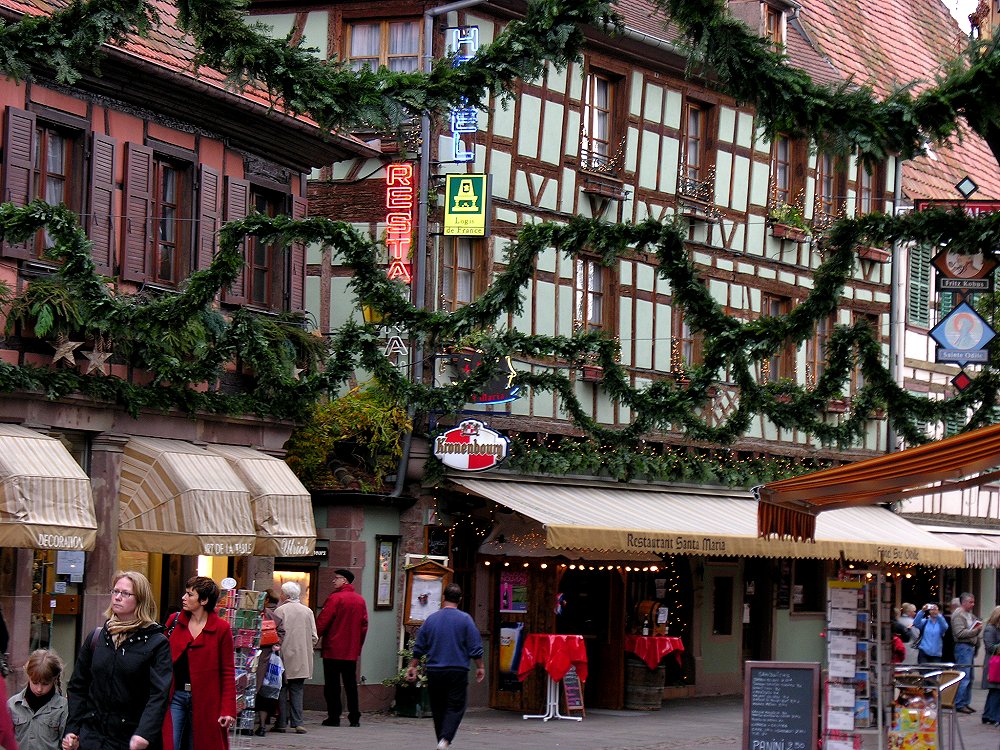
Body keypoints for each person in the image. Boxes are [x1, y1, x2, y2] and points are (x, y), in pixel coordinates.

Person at [62, 571, 172, 750]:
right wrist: (72, 730)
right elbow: (78, 687)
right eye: (115, 591)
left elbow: (159, 696)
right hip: (92, 737)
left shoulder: (156, 642)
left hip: (130, 739)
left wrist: (144, 733)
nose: (118, 597)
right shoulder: (97, 637)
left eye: (126, 593)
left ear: (141, 599)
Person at [406, 583, 484, 750]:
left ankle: (441, 739)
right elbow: (475, 646)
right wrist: (480, 666)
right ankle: (445, 739)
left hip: (435, 669)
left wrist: (413, 666)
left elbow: (420, 645)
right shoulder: (466, 620)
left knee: (438, 707)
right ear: (460, 600)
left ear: (443, 598)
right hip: (457, 669)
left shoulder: (431, 620)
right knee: (456, 706)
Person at [161, 576, 236, 750]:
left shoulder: (221, 629)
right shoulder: (174, 621)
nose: (183, 598)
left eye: (189, 595)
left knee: (201, 744)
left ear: (204, 600)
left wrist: (227, 709)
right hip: (175, 697)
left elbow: (227, 671)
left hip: (206, 701)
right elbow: (161, 660)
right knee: (169, 743)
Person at [316, 569, 368, 728]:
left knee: (332, 685)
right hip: (350, 650)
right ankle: (354, 716)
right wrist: (358, 645)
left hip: (333, 648)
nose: (334, 581)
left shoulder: (335, 598)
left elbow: (324, 620)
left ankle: (334, 716)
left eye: (336, 578)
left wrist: (315, 635)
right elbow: (364, 626)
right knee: (351, 684)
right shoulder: (360, 600)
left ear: (344, 580)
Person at [269, 582, 317, 735]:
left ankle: (281, 722)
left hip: (283, 655)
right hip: (302, 656)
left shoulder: (280, 610)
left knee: (281, 689)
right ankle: (298, 722)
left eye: (282, 593)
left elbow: (275, 633)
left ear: (286, 595)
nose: (280, 595)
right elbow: (314, 637)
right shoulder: (307, 611)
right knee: (297, 689)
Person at [9, 649, 67, 750]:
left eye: (45, 684)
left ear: (54, 679)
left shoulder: (63, 708)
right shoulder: (13, 705)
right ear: (28, 676)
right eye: (35, 682)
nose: (39, 689)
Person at [951, 591, 983, 714]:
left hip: (970, 647)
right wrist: (975, 631)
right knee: (964, 676)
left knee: (970, 677)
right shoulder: (959, 615)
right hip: (963, 647)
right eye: (970, 602)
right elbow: (959, 634)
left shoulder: (969, 615)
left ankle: (965, 702)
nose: (973, 604)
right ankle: (959, 703)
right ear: (963, 602)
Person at [254, 593, 280, 736]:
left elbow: (280, 631)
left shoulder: (269, 615)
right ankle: (250, 724)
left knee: (262, 692)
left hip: (264, 659)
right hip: (246, 658)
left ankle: (262, 726)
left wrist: (275, 643)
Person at [981, 605, 1000, 727]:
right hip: (993, 663)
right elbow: (990, 647)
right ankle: (993, 715)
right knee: (996, 690)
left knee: (995, 690)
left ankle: (987, 714)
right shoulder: (990, 629)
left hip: (996, 663)